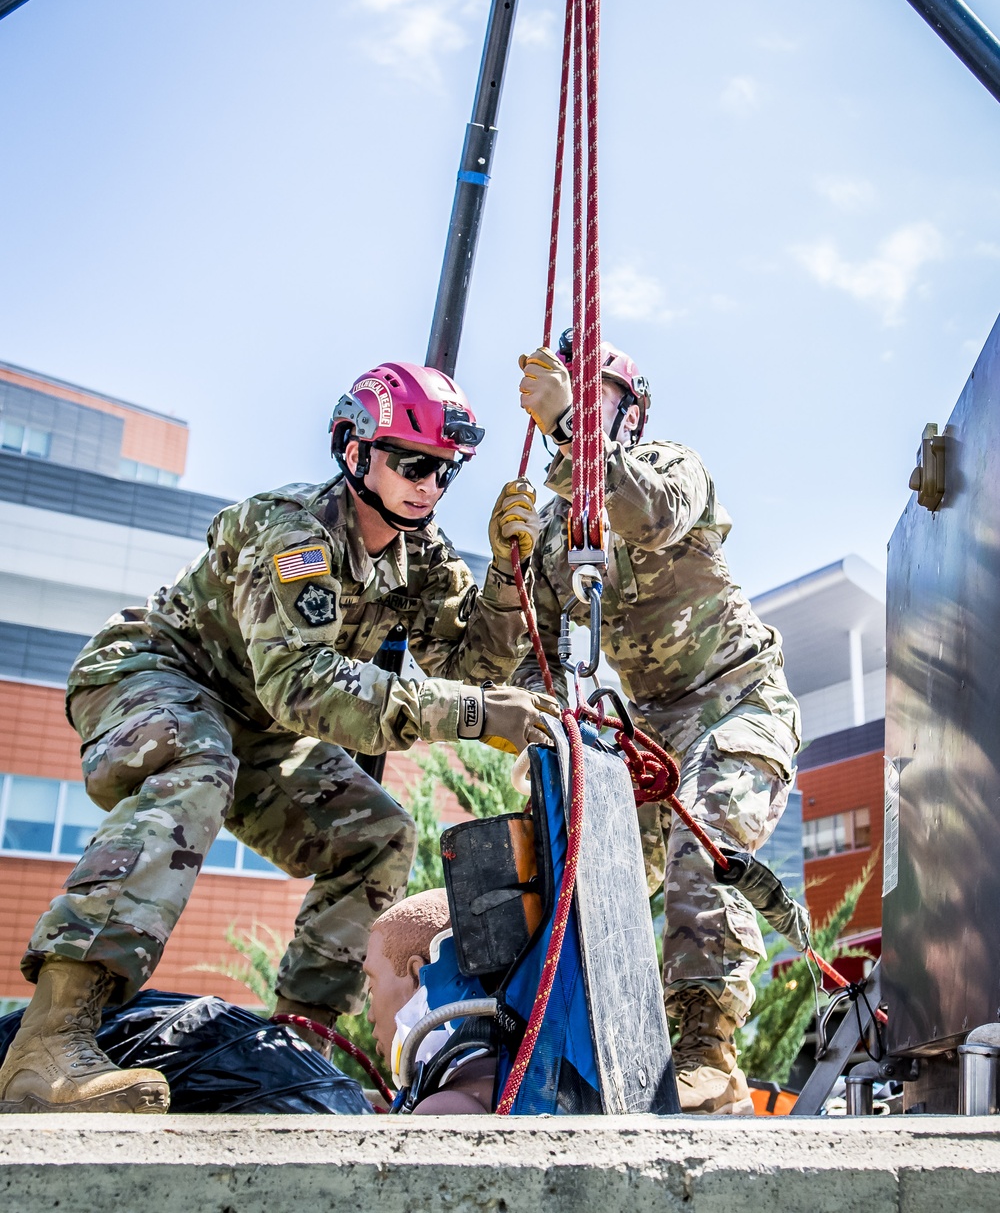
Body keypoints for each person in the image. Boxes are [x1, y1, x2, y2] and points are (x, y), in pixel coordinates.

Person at [0, 361, 555, 1115]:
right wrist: (474, 714)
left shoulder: (421, 556)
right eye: (413, 462)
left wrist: (505, 576)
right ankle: (50, 1043)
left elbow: (470, 662)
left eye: (445, 472)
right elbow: (305, 686)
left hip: (254, 725)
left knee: (377, 834)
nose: (429, 484)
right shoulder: (292, 530)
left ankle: (296, 1049)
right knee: (198, 765)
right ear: (357, 454)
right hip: (156, 675)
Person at [514, 335, 801, 1117]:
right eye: (568, 396)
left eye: (596, 397)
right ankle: (557, 1038)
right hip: (651, 736)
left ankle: (707, 1047)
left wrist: (576, 434)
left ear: (629, 413)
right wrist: (506, 571)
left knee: (704, 838)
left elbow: (653, 515)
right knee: (575, 862)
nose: (579, 409)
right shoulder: (551, 534)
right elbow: (519, 657)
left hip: (738, 700)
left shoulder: (674, 466)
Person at [363, 890, 494, 1115]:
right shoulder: (512, 1074)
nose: (370, 1016)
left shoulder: (443, 1108)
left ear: (417, 975)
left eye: (372, 988)